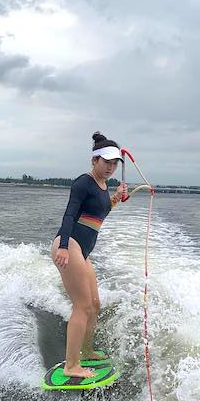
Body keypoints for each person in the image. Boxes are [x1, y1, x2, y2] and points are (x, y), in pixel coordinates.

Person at [51, 132, 128, 379]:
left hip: (82, 251)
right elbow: (70, 216)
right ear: (94, 160)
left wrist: (115, 199)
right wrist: (63, 245)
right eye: (106, 162)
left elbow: (98, 214)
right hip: (69, 244)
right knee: (82, 305)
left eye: (115, 163)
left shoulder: (103, 186)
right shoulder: (83, 183)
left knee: (94, 305)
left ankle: (86, 350)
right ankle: (71, 365)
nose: (111, 167)